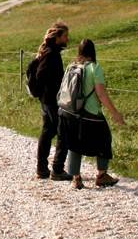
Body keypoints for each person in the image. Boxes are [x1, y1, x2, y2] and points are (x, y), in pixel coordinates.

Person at [57, 38, 125, 189]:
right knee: (105, 138)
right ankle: (102, 175)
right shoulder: (94, 68)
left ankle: (76, 178)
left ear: (79, 51)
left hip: (70, 111)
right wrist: (115, 113)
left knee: (75, 144)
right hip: (90, 113)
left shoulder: (71, 66)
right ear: (93, 51)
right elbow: (101, 94)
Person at [34, 21, 71, 180]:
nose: (67, 40)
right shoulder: (51, 54)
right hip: (51, 100)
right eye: (65, 36)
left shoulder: (49, 52)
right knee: (63, 132)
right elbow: (40, 76)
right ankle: (57, 169)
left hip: (47, 99)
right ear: (58, 38)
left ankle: (42, 169)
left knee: (48, 131)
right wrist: (52, 90)